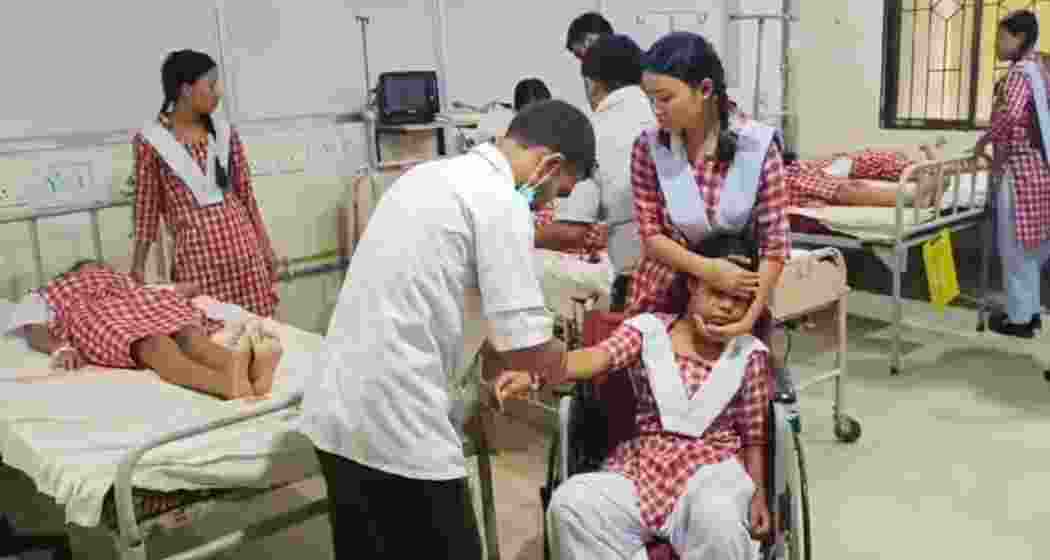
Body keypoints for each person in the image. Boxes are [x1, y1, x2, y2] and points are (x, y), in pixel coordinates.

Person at [298, 100, 597, 559]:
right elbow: (527, 348)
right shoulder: (501, 203)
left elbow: (442, 299)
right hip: (398, 421)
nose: (549, 204)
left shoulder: (427, 177)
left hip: (337, 408)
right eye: (559, 191)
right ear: (550, 165)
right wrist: (573, 358)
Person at [493, 269, 771, 559]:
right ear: (693, 284)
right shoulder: (649, 330)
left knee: (720, 520)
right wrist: (536, 373)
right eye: (717, 292)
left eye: (738, 299)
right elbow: (597, 357)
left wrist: (759, 494)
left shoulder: (750, 353)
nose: (726, 306)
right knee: (571, 505)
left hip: (712, 472)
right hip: (642, 467)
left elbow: (754, 436)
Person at [626, 32, 790, 342]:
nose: (656, 110)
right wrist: (708, 271)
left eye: (665, 98)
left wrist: (748, 319)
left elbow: (775, 247)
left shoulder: (757, 146)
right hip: (663, 294)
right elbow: (651, 237)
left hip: (734, 301)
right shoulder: (649, 147)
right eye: (651, 100)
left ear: (704, 89)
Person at [130, 50, 279, 318]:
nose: (218, 92)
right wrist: (138, 266)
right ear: (186, 90)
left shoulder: (224, 133)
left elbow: (246, 198)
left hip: (246, 260)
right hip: (198, 267)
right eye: (211, 85)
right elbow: (146, 211)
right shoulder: (152, 142)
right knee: (212, 335)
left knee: (260, 333)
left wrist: (266, 248)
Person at [5, 260, 281, 399]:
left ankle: (244, 372)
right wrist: (60, 348)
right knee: (157, 343)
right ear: (73, 273)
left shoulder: (123, 282)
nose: (96, 270)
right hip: (102, 315)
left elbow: (176, 291)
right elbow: (32, 327)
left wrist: (180, 290)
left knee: (188, 334)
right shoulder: (50, 292)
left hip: (144, 305)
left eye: (100, 267)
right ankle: (230, 383)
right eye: (89, 268)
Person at [536, 34, 657, 310]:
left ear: (592, 83)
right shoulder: (658, 113)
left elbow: (571, 231)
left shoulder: (593, 130)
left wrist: (517, 238)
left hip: (633, 275)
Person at [974, 10, 1050, 338]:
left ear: (1019, 38)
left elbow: (1009, 116)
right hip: (1040, 169)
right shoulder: (1041, 69)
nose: (996, 44)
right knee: (1031, 248)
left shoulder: (1019, 73)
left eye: (1001, 37)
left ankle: (1019, 321)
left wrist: (984, 141)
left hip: (1020, 172)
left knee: (1015, 247)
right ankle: (1030, 314)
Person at [784, 141, 947, 208]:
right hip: (795, 177)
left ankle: (926, 179)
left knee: (875, 161)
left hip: (812, 169)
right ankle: (919, 191)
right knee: (850, 187)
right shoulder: (789, 179)